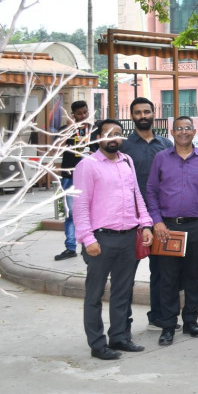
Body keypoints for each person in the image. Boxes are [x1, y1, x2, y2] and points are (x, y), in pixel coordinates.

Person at [72, 119, 154, 360]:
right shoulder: (87, 165)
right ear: (98, 137)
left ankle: (119, 337)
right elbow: (80, 206)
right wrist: (87, 238)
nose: (113, 138)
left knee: (122, 291)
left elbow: (137, 194)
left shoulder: (126, 161)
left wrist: (146, 223)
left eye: (117, 134)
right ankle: (97, 344)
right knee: (94, 294)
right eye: (108, 133)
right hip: (100, 239)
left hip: (128, 237)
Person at [147, 116, 198, 346]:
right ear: (172, 132)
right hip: (167, 228)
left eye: (188, 128)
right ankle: (168, 325)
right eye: (179, 129)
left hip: (196, 226)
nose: (183, 132)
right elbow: (151, 191)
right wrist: (157, 222)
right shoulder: (161, 158)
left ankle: (191, 321)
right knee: (168, 278)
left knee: (191, 277)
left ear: (194, 131)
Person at [120, 96, 172, 332]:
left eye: (146, 111)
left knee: (161, 269)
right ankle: (122, 326)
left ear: (153, 114)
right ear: (132, 116)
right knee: (126, 272)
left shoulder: (166, 144)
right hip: (132, 218)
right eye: (138, 112)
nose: (143, 116)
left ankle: (159, 316)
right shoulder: (124, 147)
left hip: (162, 216)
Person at [54, 100, 92, 261]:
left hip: (89, 178)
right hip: (69, 177)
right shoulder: (65, 129)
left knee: (91, 212)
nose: (82, 116)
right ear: (73, 115)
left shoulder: (94, 130)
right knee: (71, 213)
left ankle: (88, 244)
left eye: (85, 112)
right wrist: (70, 130)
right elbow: (57, 148)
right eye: (79, 113)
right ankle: (70, 247)